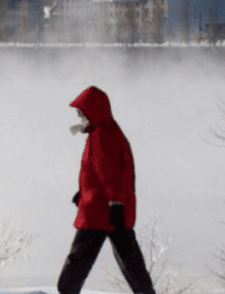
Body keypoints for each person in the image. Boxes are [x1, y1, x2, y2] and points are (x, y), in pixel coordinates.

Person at [57, 85, 156, 294]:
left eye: (82, 114)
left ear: (93, 112)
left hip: (100, 212)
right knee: (131, 263)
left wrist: (114, 203)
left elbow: (109, 174)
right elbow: (102, 173)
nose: (80, 117)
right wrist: (84, 193)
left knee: (75, 267)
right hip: (109, 209)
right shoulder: (108, 131)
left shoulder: (101, 137)